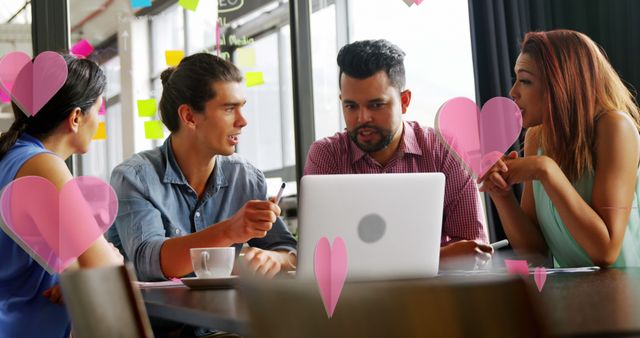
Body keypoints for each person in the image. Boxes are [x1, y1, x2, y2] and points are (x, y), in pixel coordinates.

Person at [106, 53, 297, 283]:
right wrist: (229, 231)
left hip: (222, 314)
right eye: (229, 109)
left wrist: (274, 259)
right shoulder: (134, 177)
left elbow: (289, 252)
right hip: (156, 318)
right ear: (189, 116)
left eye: (241, 107)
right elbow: (149, 262)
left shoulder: (245, 177)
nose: (242, 121)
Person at [304, 39, 491, 266]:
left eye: (376, 105)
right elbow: (320, 258)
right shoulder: (326, 155)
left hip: (433, 297)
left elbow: (474, 252)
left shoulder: (443, 149)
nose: (362, 118)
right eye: (351, 106)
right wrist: (437, 259)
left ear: (404, 101)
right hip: (353, 299)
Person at [479, 30, 640, 267]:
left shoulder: (615, 127)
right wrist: (501, 196)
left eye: (524, 81)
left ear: (560, 83)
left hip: (623, 295)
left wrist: (545, 170)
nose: (513, 92)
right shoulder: (536, 137)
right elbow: (536, 254)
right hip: (570, 296)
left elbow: (606, 251)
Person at [0, 54, 123, 337]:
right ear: (76, 117)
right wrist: (110, 257)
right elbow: (105, 271)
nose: (100, 122)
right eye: (99, 112)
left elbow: (72, 264)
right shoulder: (41, 165)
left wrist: (77, 276)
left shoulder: (12, 157)